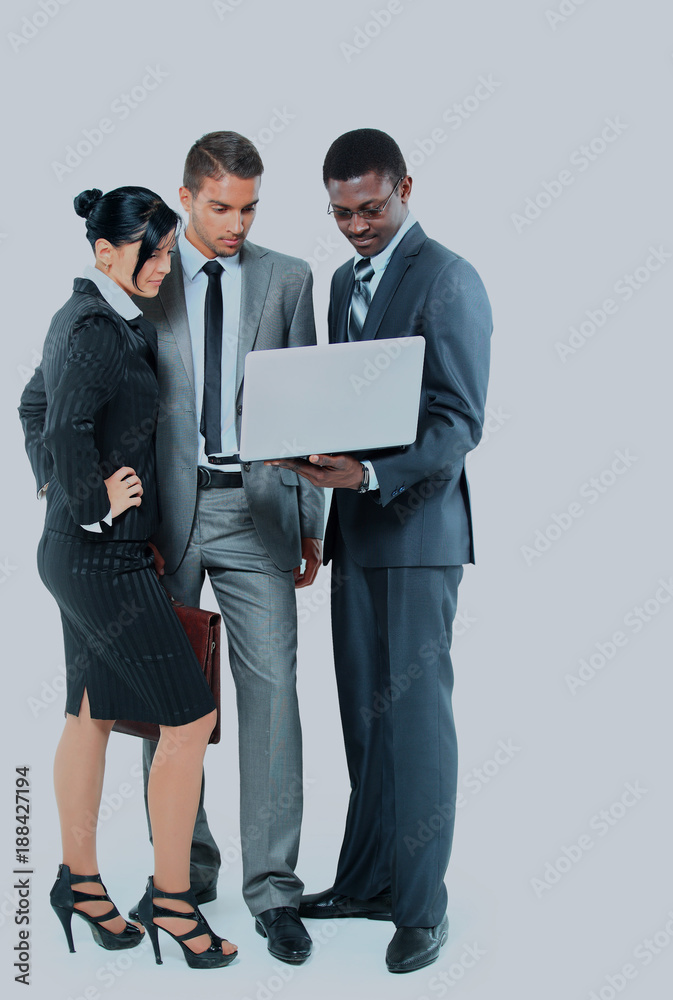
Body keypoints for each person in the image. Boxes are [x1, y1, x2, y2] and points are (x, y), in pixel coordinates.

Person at [267, 128, 493, 974]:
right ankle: (367, 880)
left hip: (420, 533)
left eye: (370, 208)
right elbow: (353, 399)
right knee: (363, 714)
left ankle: (422, 908)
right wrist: (309, 461)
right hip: (356, 531)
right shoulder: (341, 281)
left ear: (405, 187)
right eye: (341, 213)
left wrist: (368, 473)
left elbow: (458, 421)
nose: (357, 226)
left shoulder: (448, 278)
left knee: (417, 722)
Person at [18, 186, 237, 969]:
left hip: (79, 555)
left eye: (169, 251)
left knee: (91, 714)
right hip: (100, 560)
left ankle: (79, 884)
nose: (164, 266)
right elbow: (61, 421)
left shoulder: (91, 318)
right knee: (189, 719)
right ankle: (174, 904)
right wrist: (91, 502)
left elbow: (31, 404)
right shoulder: (95, 328)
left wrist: (67, 499)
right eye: (154, 252)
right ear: (106, 251)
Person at [131, 131, 325, 966]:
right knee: (167, 700)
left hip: (257, 512)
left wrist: (312, 520)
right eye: (220, 207)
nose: (237, 224)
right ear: (185, 198)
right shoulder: (146, 275)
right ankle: (186, 870)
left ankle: (274, 890)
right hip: (164, 519)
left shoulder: (288, 279)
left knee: (273, 694)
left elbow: (310, 406)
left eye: (249, 208)